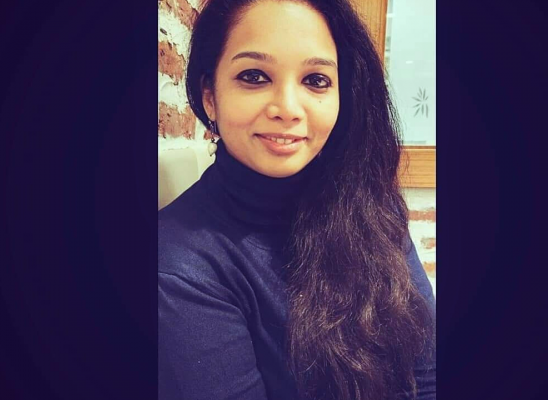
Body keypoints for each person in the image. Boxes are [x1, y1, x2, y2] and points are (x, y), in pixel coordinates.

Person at [158, 0, 436, 399]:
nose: (287, 109)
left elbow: (427, 375)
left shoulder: (375, 209)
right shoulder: (179, 268)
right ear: (209, 97)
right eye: (254, 76)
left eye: (316, 80)